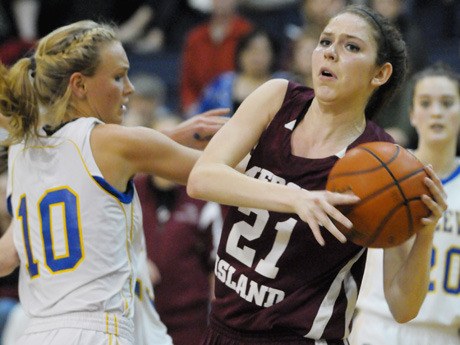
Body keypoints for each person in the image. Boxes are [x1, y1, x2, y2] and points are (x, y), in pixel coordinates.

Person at [187, 4, 447, 344]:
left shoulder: (384, 163)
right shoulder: (277, 97)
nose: (331, 53)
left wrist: (424, 233)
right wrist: (297, 198)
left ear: (380, 74)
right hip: (222, 329)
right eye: (325, 42)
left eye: (351, 47)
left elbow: (402, 307)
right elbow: (201, 178)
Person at [0, 19, 229, 345]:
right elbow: (213, 174)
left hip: (39, 332)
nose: (129, 87)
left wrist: (158, 142)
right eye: (119, 76)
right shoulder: (104, 143)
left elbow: (7, 256)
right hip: (99, 326)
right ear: (78, 84)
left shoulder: (25, 152)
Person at [349, 62, 460, 345]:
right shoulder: (382, 170)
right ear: (412, 114)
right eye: (425, 103)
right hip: (377, 324)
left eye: (447, 103)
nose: (436, 112)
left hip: (443, 332)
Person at [134, 115, 224, 345]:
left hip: (189, 322)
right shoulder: (129, 191)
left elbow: (216, 265)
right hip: (137, 316)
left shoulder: (202, 197)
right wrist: (137, 260)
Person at [180, 0, 253, 116]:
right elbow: (187, 80)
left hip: (237, 106)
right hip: (200, 108)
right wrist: (190, 106)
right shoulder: (195, 37)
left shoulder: (246, 32)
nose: (222, 2)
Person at [196, 29, 281, 116]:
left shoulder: (283, 86)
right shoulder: (222, 83)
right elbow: (200, 116)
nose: (257, 57)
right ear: (240, 54)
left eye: (263, 51)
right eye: (252, 50)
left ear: (273, 55)